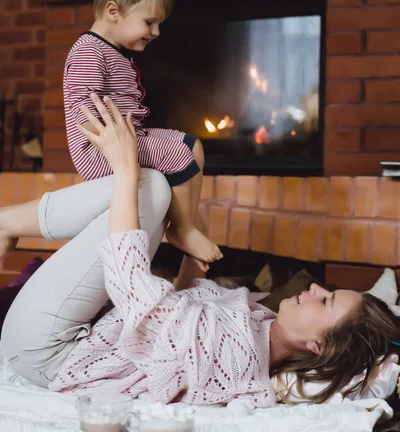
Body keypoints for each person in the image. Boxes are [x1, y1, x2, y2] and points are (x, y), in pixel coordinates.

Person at [1, 95, 400, 406]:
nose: (314, 288)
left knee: (144, 186)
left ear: (320, 347)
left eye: (326, 301)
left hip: (50, 349)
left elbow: (131, 290)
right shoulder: (263, 325)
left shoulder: (236, 356)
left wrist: (124, 166)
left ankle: (5, 223)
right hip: (80, 332)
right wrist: (192, 253)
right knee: (155, 187)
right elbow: (170, 325)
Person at [63, 0, 222, 273]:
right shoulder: (88, 51)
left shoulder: (110, 51)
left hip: (122, 142)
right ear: (113, 11)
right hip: (102, 152)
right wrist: (117, 147)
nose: (157, 31)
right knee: (187, 148)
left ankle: (188, 238)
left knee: (190, 155)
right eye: (149, 22)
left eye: (159, 24)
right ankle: (181, 229)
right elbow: (85, 112)